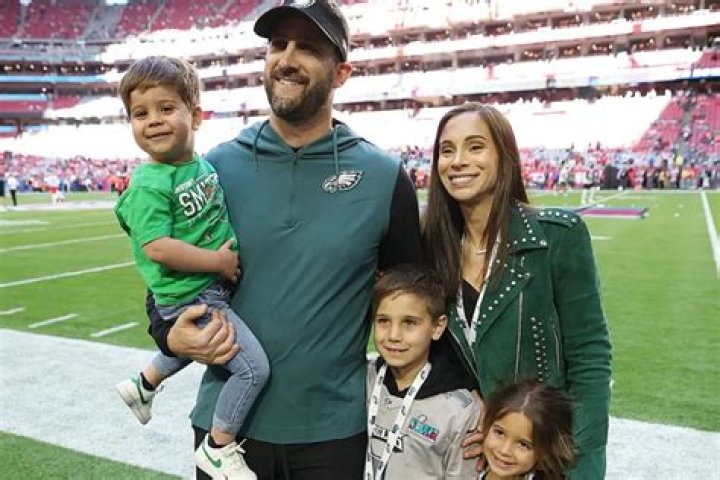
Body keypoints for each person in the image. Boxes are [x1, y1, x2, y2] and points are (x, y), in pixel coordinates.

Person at [146, 1, 424, 478]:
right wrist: (167, 333)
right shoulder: (214, 168)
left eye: (308, 48)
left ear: (341, 73)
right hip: (224, 434)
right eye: (278, 44)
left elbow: (416, 296)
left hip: (333, 434)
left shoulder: (383, 176)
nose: (287, 59)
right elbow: (166, 277)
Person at [422, 102, 612, 478]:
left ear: (505, 157)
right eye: (447, 150)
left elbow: (590, 357)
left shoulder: (557, 235)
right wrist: (475, 403)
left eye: (475, 147)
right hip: (479, 453)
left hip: (550, 453)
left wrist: (580, 460)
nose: (458, 161)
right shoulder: (432, 247)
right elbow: (437, 347)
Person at [114, 56, 269, 480]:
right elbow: (157, 247)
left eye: (166, 108)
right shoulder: (149, 183)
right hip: (192, 294)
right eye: (140, 113)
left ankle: (143, 384)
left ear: (196, 116)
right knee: (253, 369)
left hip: (202, 290)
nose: (153, 120)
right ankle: (217, 447)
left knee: (193, 347)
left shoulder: (197, 164)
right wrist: (218, 261)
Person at [365, 264, 481, 479]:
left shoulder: (459, 410)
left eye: (409, 322)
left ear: (437, 327)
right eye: (383, 321)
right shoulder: (365, 378)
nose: (393, 335)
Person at [478, 379, 575, 480]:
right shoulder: (469, 467)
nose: (504, 450)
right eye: (499, 432)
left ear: (545, 454)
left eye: (523, 444)